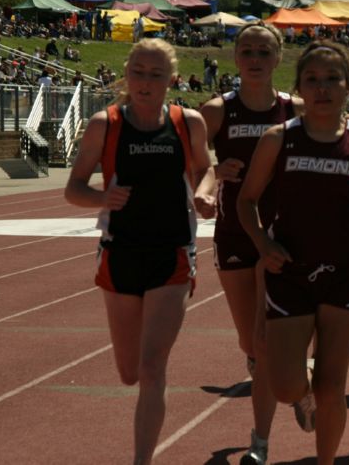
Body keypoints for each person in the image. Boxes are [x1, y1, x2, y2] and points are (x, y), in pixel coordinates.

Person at [236, 41, 349, 464]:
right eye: (312, 80)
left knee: (333, 385)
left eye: (333, 79)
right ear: (299, 87)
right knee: (284, 386)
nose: (322, 88)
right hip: (290, 272)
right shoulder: (279, 139)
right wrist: (264, 243)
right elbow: (246, 202)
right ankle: (304, 385)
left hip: (347, 274)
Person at [64, 39, 211, 465]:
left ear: (172, 79)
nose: (146, 83)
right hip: (120, 254)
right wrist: (102, 200)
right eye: (139, 72)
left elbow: (206, 168)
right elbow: (73, 189)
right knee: (128, 372)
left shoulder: (188, 122)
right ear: (126, 73)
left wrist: (203, 194)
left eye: (156, 74)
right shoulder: (104, 124)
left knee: (151, 368)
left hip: (172, 255)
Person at [193, 21, 303, 465]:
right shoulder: (217, 110)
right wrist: (209, 182)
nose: (255, 60)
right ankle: (280, 374)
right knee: (248, 341)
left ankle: (265, 432)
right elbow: (194, 162)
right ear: (236, 58)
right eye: (248, 52)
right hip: (236, 231)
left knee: (270, 338)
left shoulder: (294, 108)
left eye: (264, 52)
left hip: (287, 231)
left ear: (278, 58)